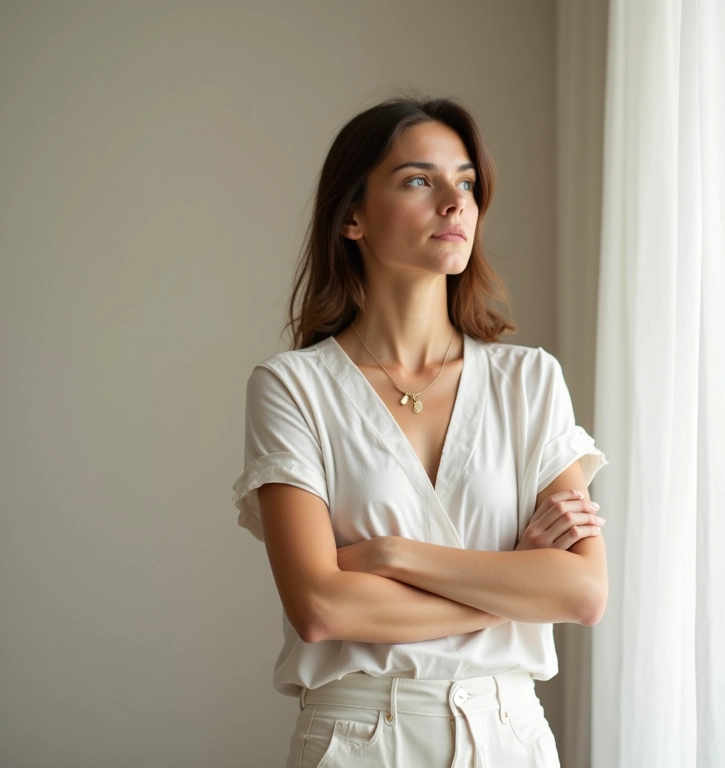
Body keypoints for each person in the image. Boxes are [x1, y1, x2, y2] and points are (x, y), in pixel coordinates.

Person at [231, 94, 609, 768]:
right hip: (360, 739)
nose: (455, 202)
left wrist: (391, 556)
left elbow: (581, 592)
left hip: (510, 736)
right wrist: (513, 585)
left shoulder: (530, 380)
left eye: (466, 182)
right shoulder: (292, 387)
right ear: (351, 217)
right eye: (417, 180)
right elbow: (320, 606)